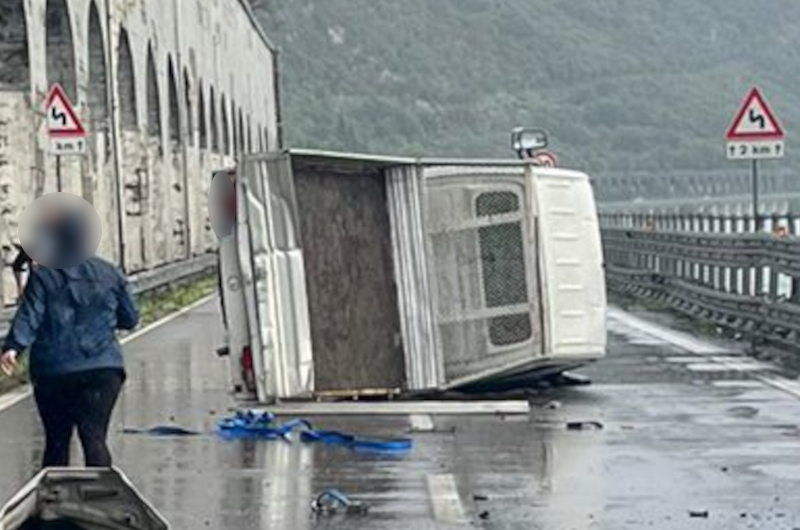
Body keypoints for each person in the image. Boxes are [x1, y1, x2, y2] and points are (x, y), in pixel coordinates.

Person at [0, 220, 139, 467]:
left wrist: (14, 347)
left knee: (57, 442)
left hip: (55, 371)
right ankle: (100, 500)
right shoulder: (110, 272)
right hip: (103, 369)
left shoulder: (43, 275)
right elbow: (130, 319)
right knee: (94, 438)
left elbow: (30, 314)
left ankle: (54, 500)